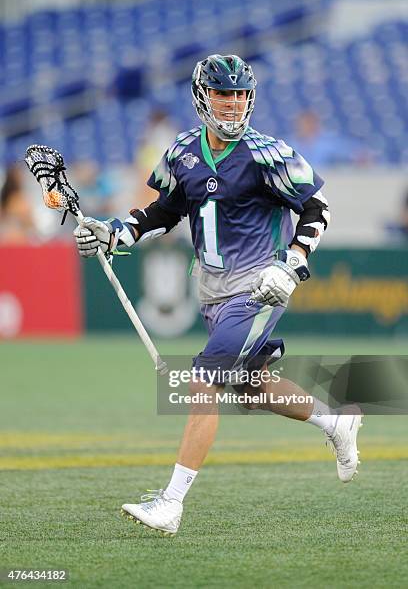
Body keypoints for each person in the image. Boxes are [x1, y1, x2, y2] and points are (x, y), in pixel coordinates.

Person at [73, 55, 362, 535]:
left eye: (240, 95)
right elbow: (161, 212)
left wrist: (292, 263)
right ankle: (337, 423)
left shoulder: (267, 152)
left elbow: (317, 205)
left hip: (259, 284)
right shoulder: (182, 151)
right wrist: (112, 233)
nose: (232, 104)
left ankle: (171, 503)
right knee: (251, 389)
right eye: (223, 94)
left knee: (204, 380)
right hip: (212, 288)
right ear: (201, 97)